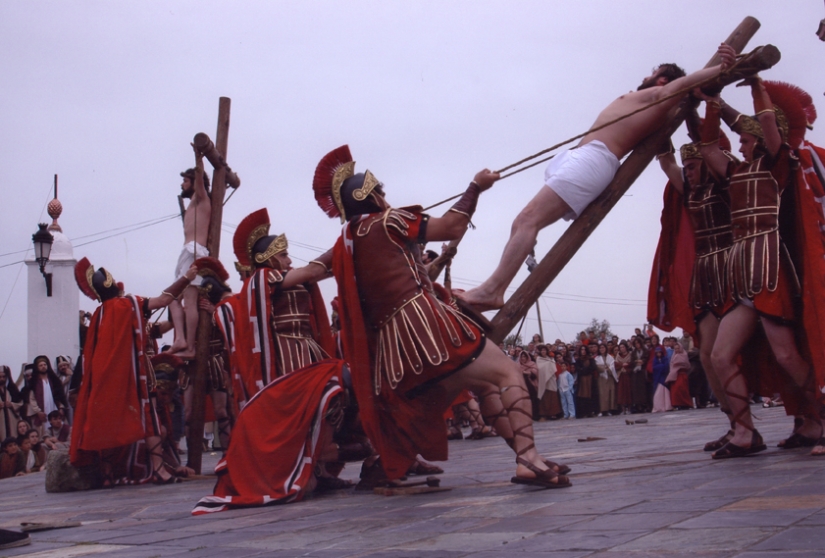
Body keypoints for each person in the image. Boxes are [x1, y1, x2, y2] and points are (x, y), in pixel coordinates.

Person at [314, 144, 570, 488]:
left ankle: (527, 456)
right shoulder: (390, 220)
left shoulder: (348, 243)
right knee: (508, 373)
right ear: (369, 195)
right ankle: (528, 459)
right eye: (381, 191)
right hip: (427, 327)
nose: (386, 197)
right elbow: (451, 225)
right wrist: (476, 187)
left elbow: (308, 272)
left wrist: (268, 277)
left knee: (486, 386)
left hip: (398, 351)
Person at [459, 47, 735, 311]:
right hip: (586, 156)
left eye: (653, 73)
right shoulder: (652, 101)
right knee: (522, 222)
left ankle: (492, 291)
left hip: (594, 158)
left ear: (662, 80)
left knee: (527, 220)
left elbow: (682, 85)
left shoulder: (658, 95)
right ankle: (492, 290)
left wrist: (722, 67)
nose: (645, 77)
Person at [698, 74, 825, 458]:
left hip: (771, 271)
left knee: (787, 356)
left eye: (744, 139)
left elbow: (768, 124)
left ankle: (820, 419)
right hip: (742, 275)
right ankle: (744, 433)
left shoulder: (777, 166)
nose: (739, 143)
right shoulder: (734, 173)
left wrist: (756, 88)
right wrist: (711, 103)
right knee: (720, 355)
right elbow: (708, 146)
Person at [71, 256, 196, 484]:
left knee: (108, 423)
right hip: (136, 376)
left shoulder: (100, 315)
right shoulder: (127, 304)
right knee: (151, 420)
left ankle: (109, 474)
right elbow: (162, 300)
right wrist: (186, 279)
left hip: (107, 381)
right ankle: (159, 469)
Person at [168, 144, 211, 358]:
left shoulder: (202, 198)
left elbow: (200, 178)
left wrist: (198, 157)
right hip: (187, 252)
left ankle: (190, 346)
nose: (182, 184)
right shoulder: (192, 204)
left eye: (185, 180)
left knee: (190, 300)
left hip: (195, 252)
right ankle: (180, 339)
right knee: (172, 297)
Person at [23, 356, 69, 436]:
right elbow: (32, 399)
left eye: (44, 365)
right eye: (41, 365)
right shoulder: (34, 382)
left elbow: (60, 396)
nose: (43, 367)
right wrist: (38, 412)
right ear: (37, 367)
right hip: (42, 412)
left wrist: (61, 407)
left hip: (54, 408)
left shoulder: (54, 380)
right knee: (44, 432)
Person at [666, 342, 693, 409]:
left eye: (678, 348)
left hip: (682, 375)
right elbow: (672, 365)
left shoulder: (684, 354)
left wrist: (679, 365)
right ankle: (678, 403)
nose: (677, 350)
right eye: (675, 349)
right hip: (675, 375)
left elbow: (687, 364)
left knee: (683, 389)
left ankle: (685, 403)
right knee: (675, 390)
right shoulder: (674, 356)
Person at [0, 366, 22, 440]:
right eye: (0, 377)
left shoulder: (12, 389)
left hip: (12, 420)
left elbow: (20, 403)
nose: (2, 379)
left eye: (4, 377)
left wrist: (12, 405)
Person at [595, 344, 617, 416]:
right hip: (602, 378)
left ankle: (610, 410)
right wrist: (603, 367)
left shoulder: (610, 357)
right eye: (600, 348)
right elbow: (597, 366)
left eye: (603, 347)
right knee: (602, 394)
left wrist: (607, 368)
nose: (602, 349)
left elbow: (612, 366)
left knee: (610, 393)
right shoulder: (597, 358)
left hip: (609, 377)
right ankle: (603, 410)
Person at [651, 346, 672, 412]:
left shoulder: (665, 359)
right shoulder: (655, 360)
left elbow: (666, 367)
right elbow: (654, 368)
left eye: (659, 352)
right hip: (657, 378)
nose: (658, 354)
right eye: (657, 353)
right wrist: (661, 366)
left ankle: (667, 406)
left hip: (663, 377)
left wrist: (660, 367)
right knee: (658, 394)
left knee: (665, 393)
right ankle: (658, 407)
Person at [614, 341, 633, 415]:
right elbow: (615, 365)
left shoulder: (630, 355)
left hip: (628, 376)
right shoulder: (618, 356)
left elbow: (631, 364)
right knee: (621, 392)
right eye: (620, 347)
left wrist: (627, 368)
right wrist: (622, 365)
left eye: (623, 347)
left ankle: (629, 409)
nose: (622, 349)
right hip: (620, 375)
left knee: (628, 392)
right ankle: (623, 409)